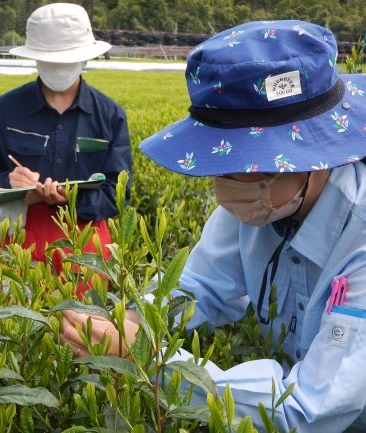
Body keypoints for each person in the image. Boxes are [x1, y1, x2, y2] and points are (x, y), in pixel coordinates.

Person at [61, 20, 366, 432]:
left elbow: (307, 409)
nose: (225, 184)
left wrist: (150, 360)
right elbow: (200, 287)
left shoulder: (358, 240)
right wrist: (132, 321)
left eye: (243, 164)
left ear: (311, 157)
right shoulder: (262, 203)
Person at [0, 3, 132, 297]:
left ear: (85, 58)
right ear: (35, 59)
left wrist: (69, 200)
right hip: (15, 237)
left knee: (81, 334)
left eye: (66, 60)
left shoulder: (109, 115)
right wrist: (10, 183)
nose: (59, 69)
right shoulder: (6, 109)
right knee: (13, 329)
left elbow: (118, 194)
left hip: (84, 241)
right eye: (50, 60)